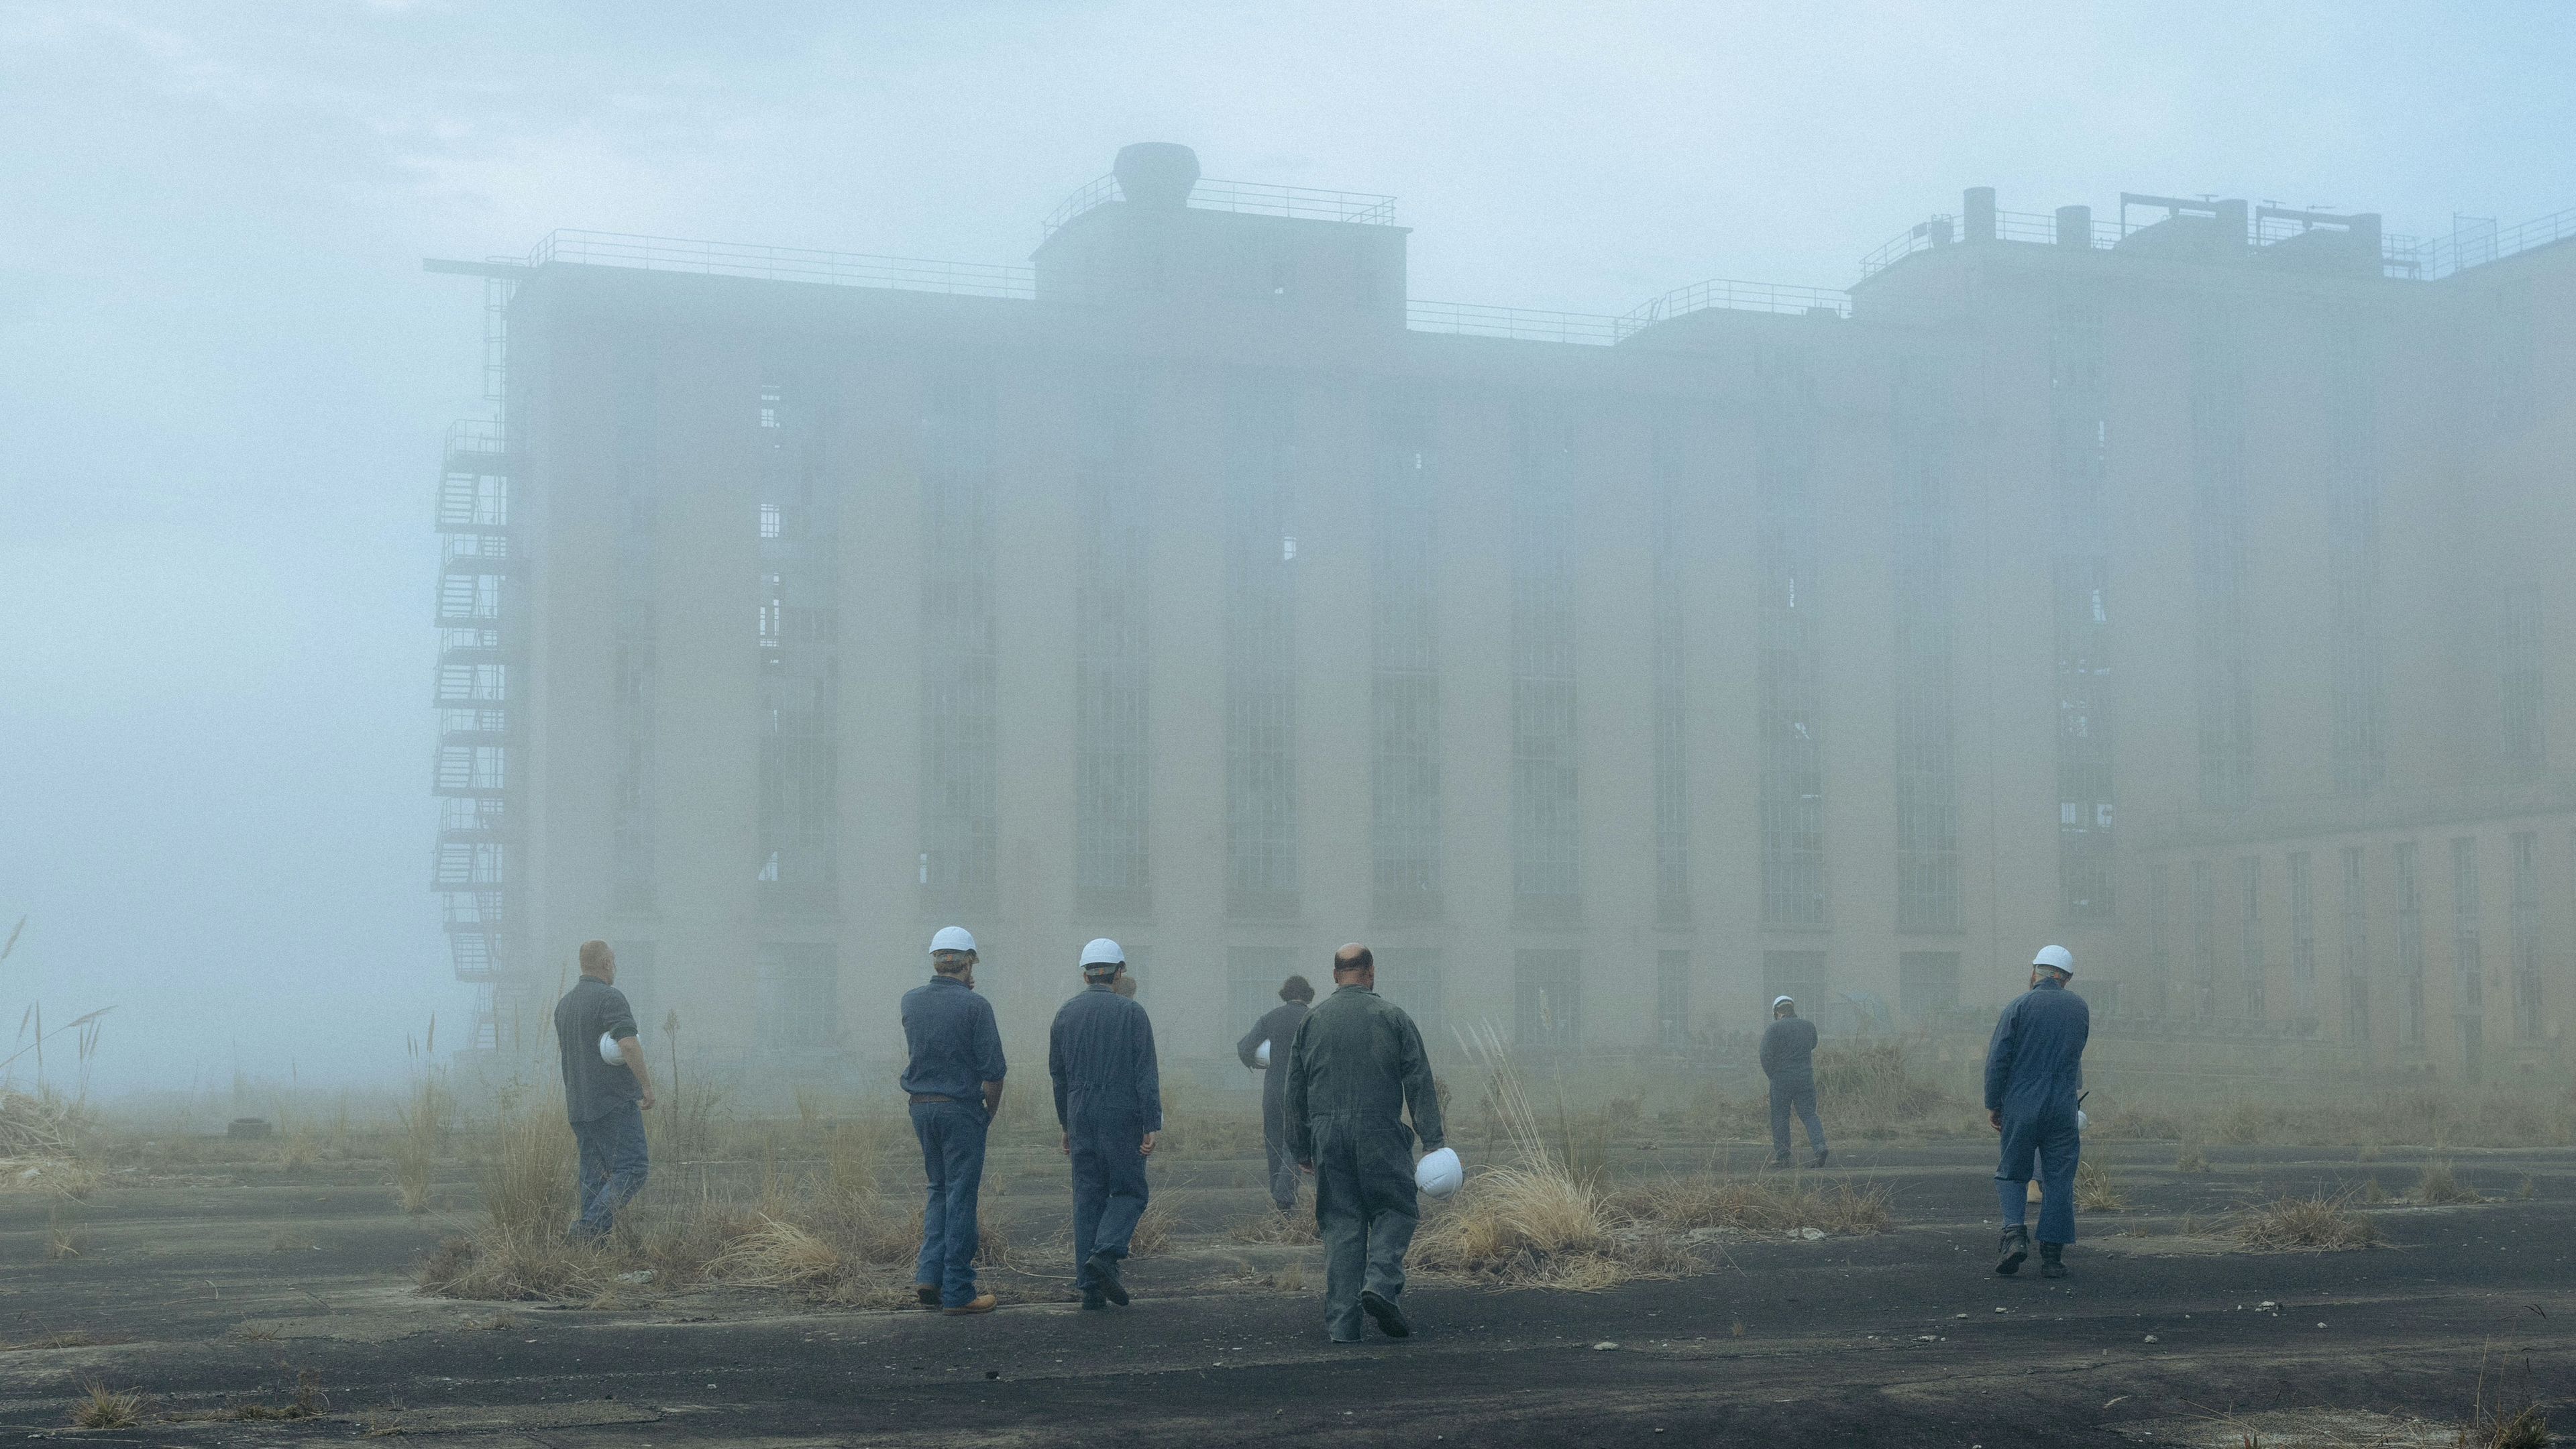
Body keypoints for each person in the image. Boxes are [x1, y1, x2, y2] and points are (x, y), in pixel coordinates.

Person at [1283, 944, 1445, 1344]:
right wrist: (1434, 1141)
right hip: (1379, 1133)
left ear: (1336, 976)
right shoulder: (1393, 1017)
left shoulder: (1312, 1022)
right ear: (1371, 973)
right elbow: (1419, 1081)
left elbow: (1294, 1091)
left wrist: (1301, 1148)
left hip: (1327, 1136)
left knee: (1342, 1225)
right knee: (1397, 1207)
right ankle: (1380, 1282)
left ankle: (1343, 1327)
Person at [1048, 938, 1163, 1309]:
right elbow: (1146, 1074)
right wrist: (1151, 1122)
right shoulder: (1132, 1013)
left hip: (1080, 1114)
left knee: (1088, 1196)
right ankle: (1107, 1253)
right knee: (1130, 1191)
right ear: (1120, 970)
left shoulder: (1065, 1014)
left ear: (1085, 974)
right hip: (1122, 1115)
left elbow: (1059, 1076)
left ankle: (1090, 1289)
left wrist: (1066, 1124)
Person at [900, 926, 1007, 1315]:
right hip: (960, 1110)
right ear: (969, 964)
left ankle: (929, 1275)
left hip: (921, 1107)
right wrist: (987, 1116)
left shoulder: (910, 1002)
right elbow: (994, 1072)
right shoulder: (976, 1007)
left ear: (936, 960)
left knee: (938, 1190)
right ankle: (959, 1291)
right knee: (961, 1196)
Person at [1986, 944, 2090, 1279]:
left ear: (2035, 972)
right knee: (2059, 1178)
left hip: (2021, 1103)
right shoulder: (2079, 1008)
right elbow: (2074, 1058)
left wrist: (1994, 1104)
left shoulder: (2019, 1005)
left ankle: (2015, 1235)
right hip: (2062, 1105)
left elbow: (1998, 1059)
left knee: (2012, 1172)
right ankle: (2052, 1256)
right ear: (2067, 978)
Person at [552, 938, 657, 1240]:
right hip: (613, 1102)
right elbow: (627, 1042)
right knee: (634, 1168)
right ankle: (585, 1233)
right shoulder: (610, 998)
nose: (615, 967)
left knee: (593, 1177)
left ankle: (591, 1251)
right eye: (614, 961)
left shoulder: (564, 1005)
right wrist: (646, 1087)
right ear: (606, 964)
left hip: (579, 1104)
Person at [1237, 974, 1316, 1213]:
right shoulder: (1314, 1018)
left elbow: (1245, 1048)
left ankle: (1279, 1198)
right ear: (1308, 995)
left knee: (1274, 1140)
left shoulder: (1270, 1018)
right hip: (1303, 1092)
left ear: (1286, 994)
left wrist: (1259, 1062)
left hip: (1273, 1090)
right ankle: (1285, 1194)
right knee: (1297, 1141)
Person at [1760, 994, 1827, 1169]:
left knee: (1780, 1117)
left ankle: (1783, 1156)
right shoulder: (1808, 1027)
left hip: (1781, 1079)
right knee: (1809, 1114)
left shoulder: (1774, 1029)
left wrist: (1772, 1075)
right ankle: (1820, 1147)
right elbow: (1813, 1045)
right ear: (1792, 1009)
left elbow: (1765, 1055)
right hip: (1805, 1077)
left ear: (1776, 1012)